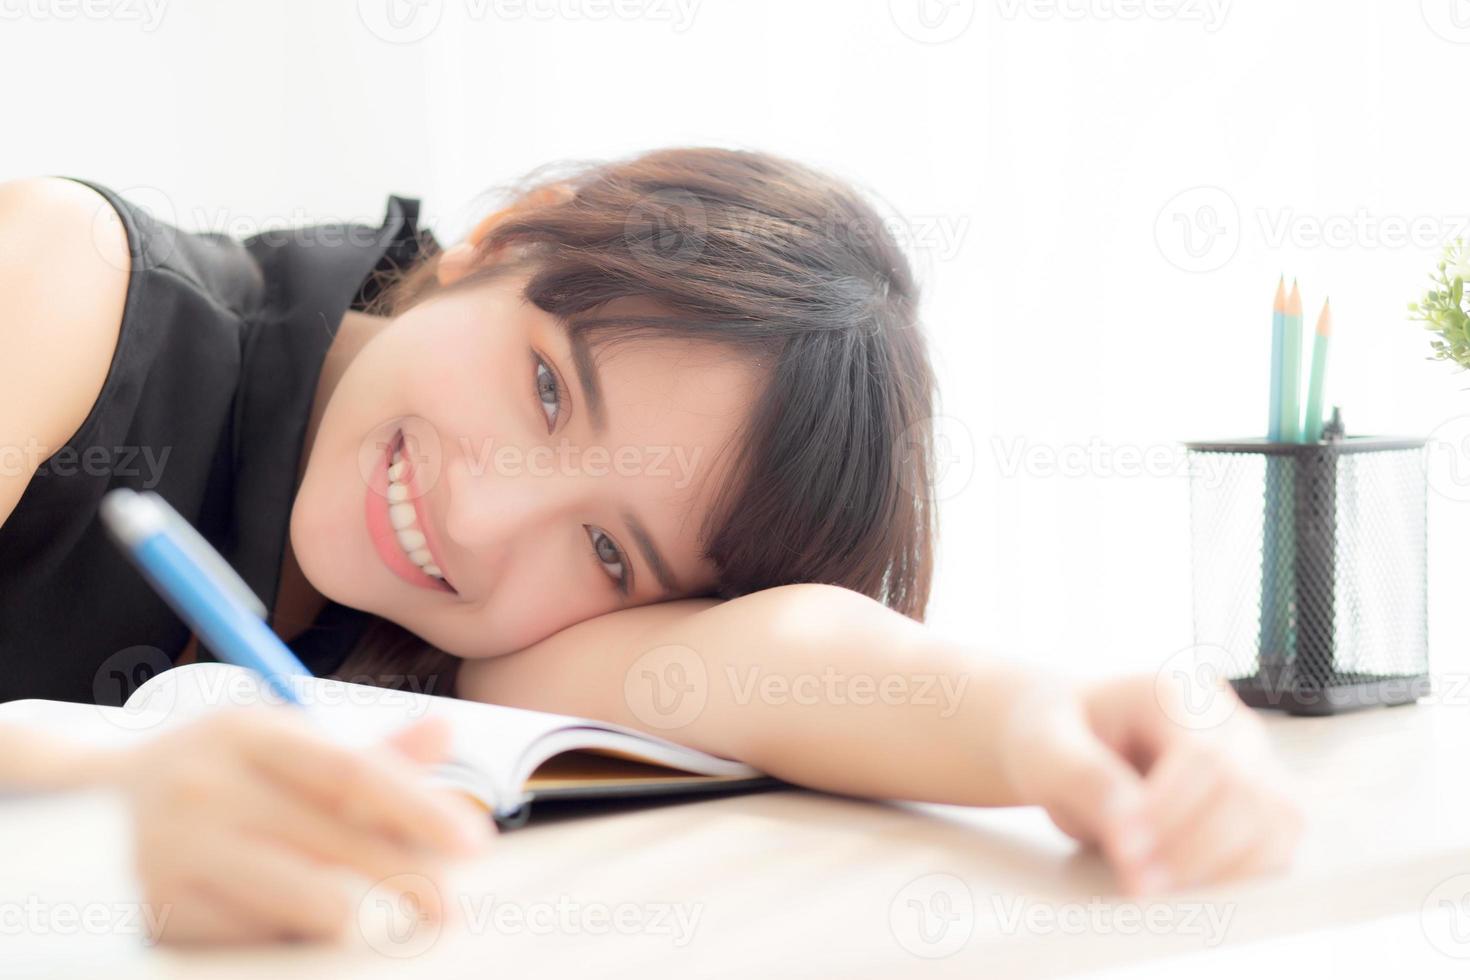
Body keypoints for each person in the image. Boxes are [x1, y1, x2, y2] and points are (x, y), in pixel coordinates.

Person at [0, 149, 1301, 945]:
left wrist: (1050, 719)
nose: (487, 522)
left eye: (611, 553)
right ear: (512, 242)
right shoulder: (63, 276)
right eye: (551, 390)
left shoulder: (489, 637)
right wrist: (114, 799)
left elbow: (780, 653)